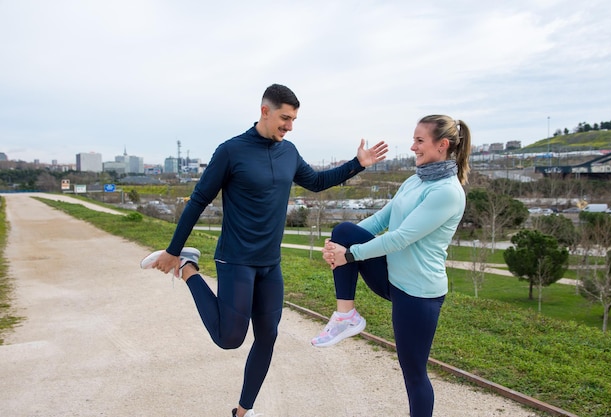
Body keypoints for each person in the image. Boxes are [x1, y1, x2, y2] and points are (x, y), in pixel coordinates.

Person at [141, 83, 388, 417]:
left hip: (270, 263)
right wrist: (172, 250)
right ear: (265, 111)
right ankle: (187, 268)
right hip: (236, 258)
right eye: (285, 118)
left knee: (267, 336)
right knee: (229, 338)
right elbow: (199, 199)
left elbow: (316, 182)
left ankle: (243, 412)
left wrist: (357, 164)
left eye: (294, 119)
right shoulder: (231, 151)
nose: (289, 126)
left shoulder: (289, 152)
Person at [311, 115, 471, 417]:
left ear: (442, 145)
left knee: (413, 373)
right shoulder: (416, 180)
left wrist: (352, 255)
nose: (412, 147)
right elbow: (381, 221)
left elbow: (400, 238)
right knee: (343, 230)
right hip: (392, 276)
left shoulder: (447, 192)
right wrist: (339, 248)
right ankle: (346, 317)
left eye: (419, 141)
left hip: (418, 293)